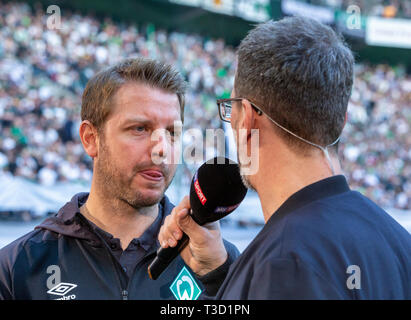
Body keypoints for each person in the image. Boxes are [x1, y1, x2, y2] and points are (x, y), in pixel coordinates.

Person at [158, 17, 411, 299]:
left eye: (230, 109)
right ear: (341, 122)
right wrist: (222, 274)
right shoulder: (398, 243)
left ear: (247, 120)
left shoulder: (284, 261)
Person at [0, 58, 239, 300]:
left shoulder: (218, 261)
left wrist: (220, 277)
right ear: (90, 138)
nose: (162, 149)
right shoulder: (19, 267)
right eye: (140, 129)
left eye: (172, 133)